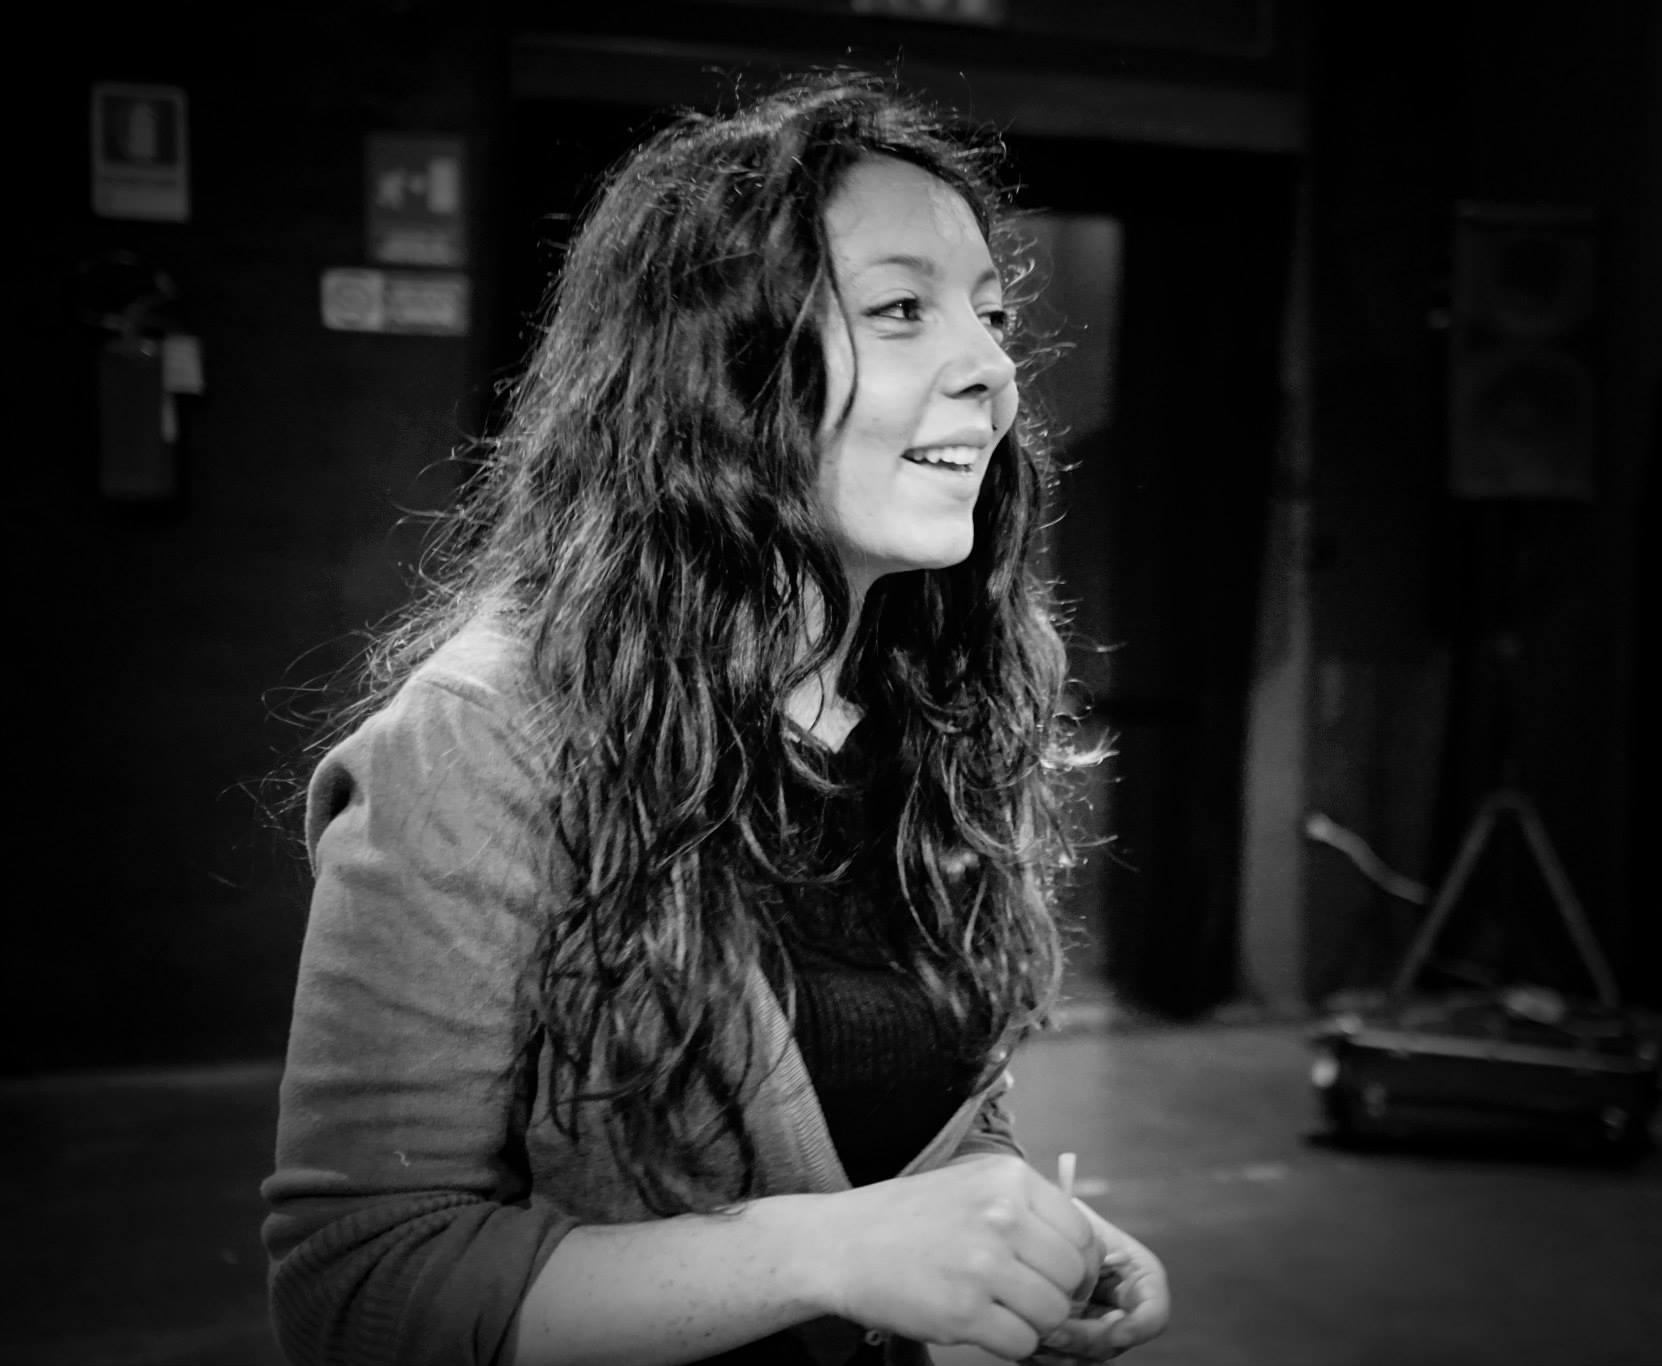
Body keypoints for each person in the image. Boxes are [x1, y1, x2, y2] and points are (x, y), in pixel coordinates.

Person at [261, 71, 1170, 1366]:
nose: (993, 370)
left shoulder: (927, 698)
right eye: (901, 310)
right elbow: (361, 1287)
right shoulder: (478, 740)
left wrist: (1008, 1221)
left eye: (992, 314)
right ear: (720, 372)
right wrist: (832, 1252)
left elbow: (918, 1105)